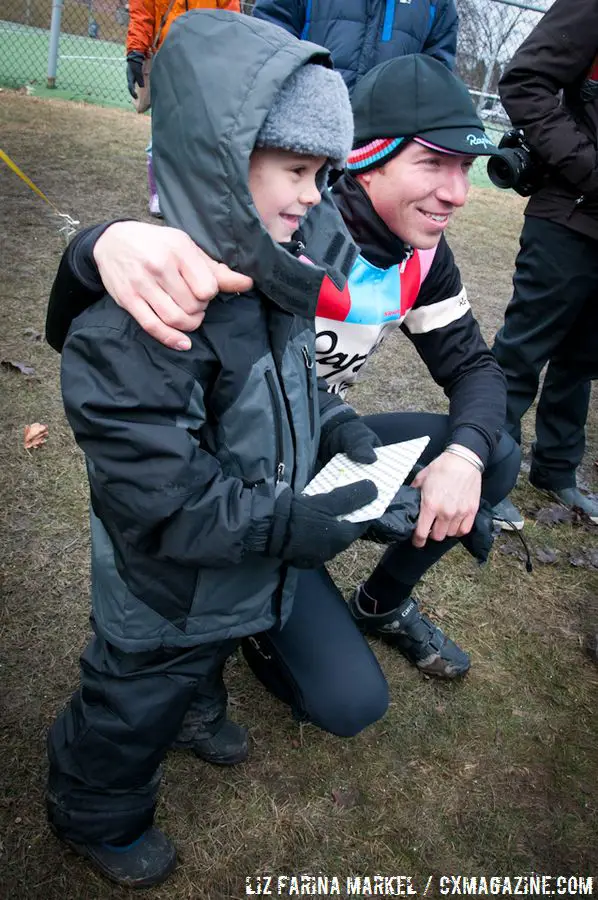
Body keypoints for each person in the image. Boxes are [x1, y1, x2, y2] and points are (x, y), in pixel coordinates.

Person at [47, 55, 521, 689]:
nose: (457, 192)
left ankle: (381, 602)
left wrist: (463, 459)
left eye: (464, 168)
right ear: (368, 159)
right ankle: (252, 619)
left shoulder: (423, 255)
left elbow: (477, 370)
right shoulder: (291, 220)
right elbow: (179, 241)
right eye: (432, 163)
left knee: (494, 451)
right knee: (347, 701)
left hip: (323, 432)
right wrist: (99, 242)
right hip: (241, 463)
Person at [46, 10, 388, 887]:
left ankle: (197, 703)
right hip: (164, 586)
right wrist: (285, 528)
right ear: (221, 159)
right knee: (132, 699)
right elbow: (164, 498)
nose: (316, 195)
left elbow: (286, 385)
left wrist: (337, 423)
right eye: (298, 170)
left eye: (323, 173)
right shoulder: (143, 322)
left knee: (196, 662)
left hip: (226, 581)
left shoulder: (267, 281)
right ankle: (93, 806)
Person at [491, 0, 598, 531]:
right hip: (570, 214)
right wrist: (589, 169)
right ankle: (488, 468)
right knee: (523, 348)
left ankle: (556, 470)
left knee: (583, 359)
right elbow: (524, 82)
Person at [126, 0, 241, 215]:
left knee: (199, 129)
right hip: (167, 55)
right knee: (164, 128)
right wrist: (136, 50)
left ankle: (190, 193)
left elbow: (231, 16)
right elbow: (142, 11)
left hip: (207, 58)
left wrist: (230, 53)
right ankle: (159, 192)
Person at [252, 0, 459, 89]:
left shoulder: (438, 4)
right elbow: (270, 37)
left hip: (383, 147)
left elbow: (434, 73)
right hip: (303, 130)